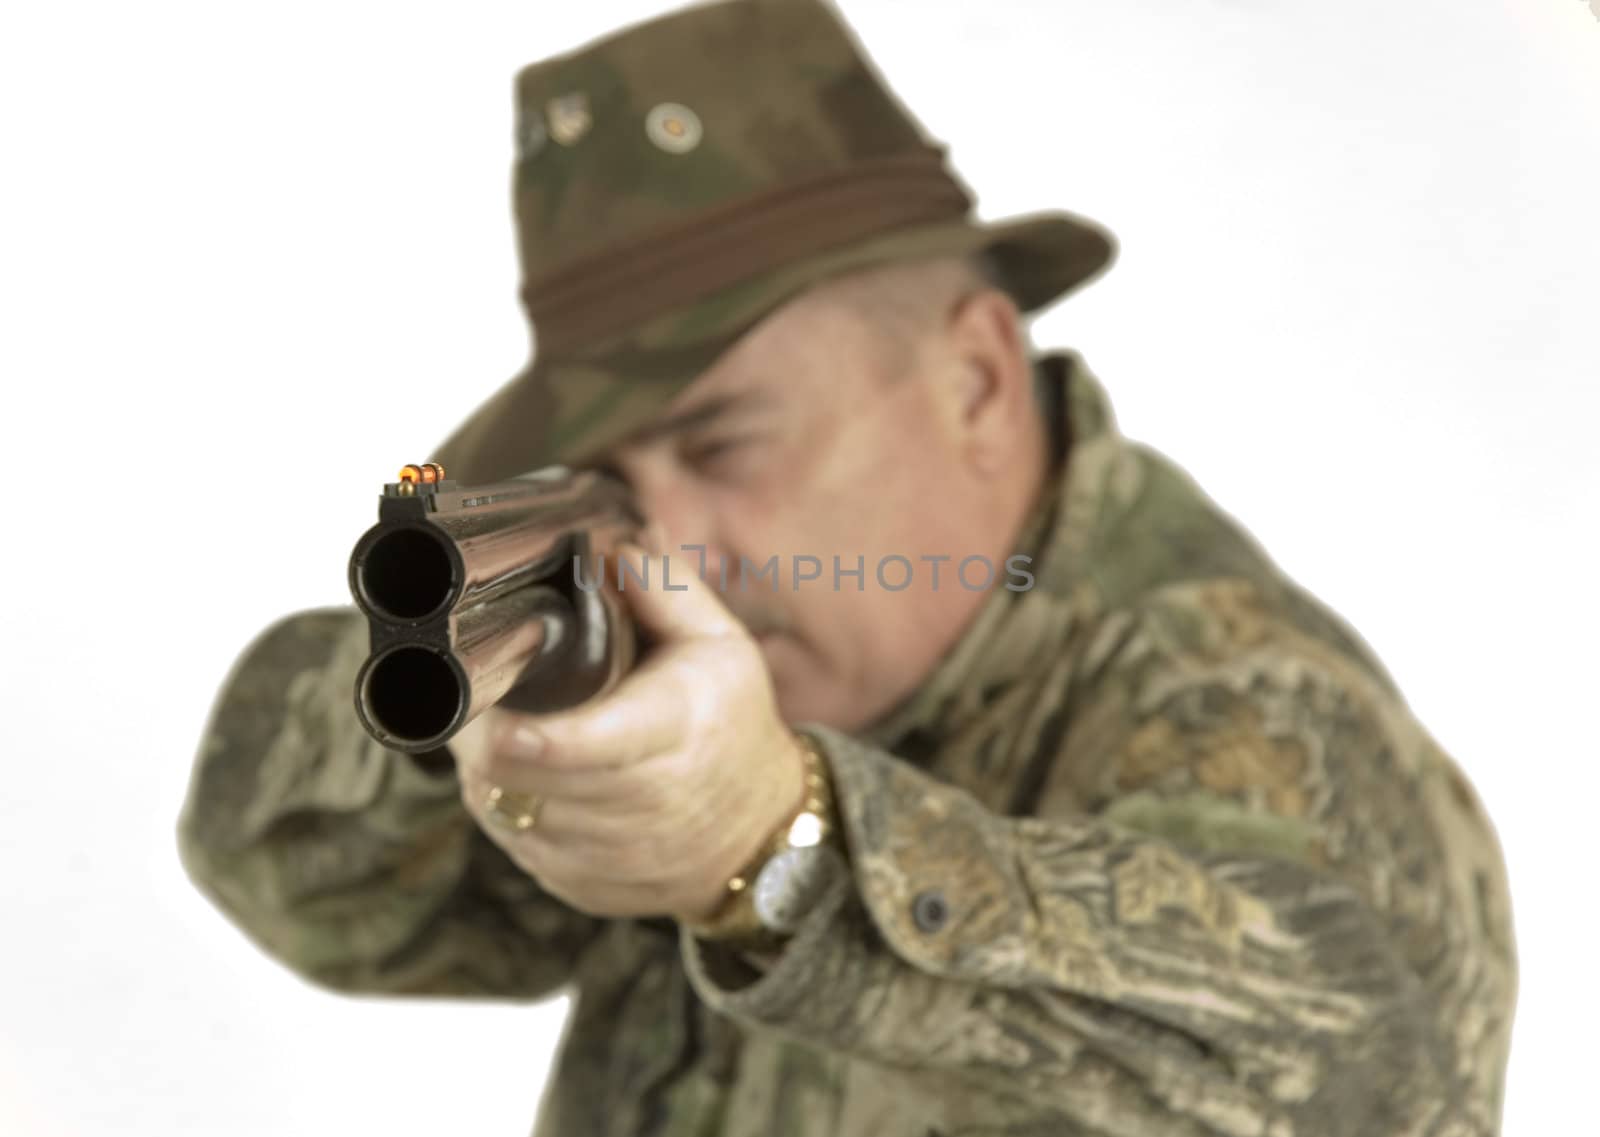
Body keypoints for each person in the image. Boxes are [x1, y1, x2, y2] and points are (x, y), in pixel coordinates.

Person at [176, 0, 1517, 1133]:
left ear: (976, 377)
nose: (674, 548)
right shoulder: (714, 668)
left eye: (721, 441)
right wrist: (474, 701)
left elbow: (1335, 1085)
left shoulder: (1252, 706)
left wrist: (769, 847)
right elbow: (305, 882)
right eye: (620, 486)